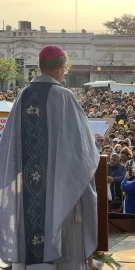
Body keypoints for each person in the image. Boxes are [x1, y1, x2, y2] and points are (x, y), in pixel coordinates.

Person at [0, 45, 99, 269]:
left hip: (28, 191)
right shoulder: (64, 97)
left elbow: (9, 149)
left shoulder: (22, 96)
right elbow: (83, 150)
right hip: (61, 191)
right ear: (60, 68)